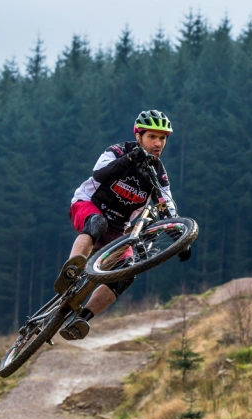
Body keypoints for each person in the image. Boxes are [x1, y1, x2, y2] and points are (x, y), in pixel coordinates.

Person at [56, 109, 191, 341]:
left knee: (128, 272)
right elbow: (99, 175)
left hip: (118, 228)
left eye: (163, 138)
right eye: (152, 137)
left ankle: (82, 319)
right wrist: (129, 159)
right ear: (139, 136)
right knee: (96, 224)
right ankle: (72, 270)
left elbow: (166, 205)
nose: (159, 143)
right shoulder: (118, 151)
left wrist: (180, 236)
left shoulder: (158, 173)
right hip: (88, 205)